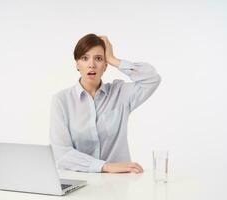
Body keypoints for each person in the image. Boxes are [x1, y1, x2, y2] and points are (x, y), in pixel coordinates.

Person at [50, 33, 161, 173]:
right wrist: (105, 166)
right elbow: (61, 153)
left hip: (119, 184)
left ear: (105, 65)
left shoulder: (120, 93)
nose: (91, 64)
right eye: (85, 58)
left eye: (99, 59)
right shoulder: (61, 100)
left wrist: (115, 60)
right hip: (80, 183)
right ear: (77, 64)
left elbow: (152, 79)